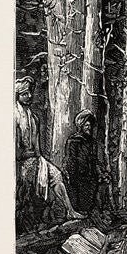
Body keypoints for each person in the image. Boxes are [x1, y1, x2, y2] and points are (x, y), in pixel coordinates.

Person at [15, 77, 84, 232]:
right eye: (24, 94)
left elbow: (37, 148)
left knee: (56, 175)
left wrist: (39, 160)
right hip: (20, 163)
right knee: (29, 187)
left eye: (29, 93)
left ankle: (70, 211)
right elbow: (17, 151)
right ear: (17, 96)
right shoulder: (14, 117)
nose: (29, 96)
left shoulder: (34, 118)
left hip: (35, 159)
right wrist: (29, 156)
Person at [64, 109, 109, 213]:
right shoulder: (73, 141)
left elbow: (95, 160)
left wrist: (101, 173)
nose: (89, 127)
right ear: (80, 126)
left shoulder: (92, 143)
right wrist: (71, 175)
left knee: (90, 204)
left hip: (91, 178)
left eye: (90, 124)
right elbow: (70, 160)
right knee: (80, 206)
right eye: (86, 125)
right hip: (78, 179)